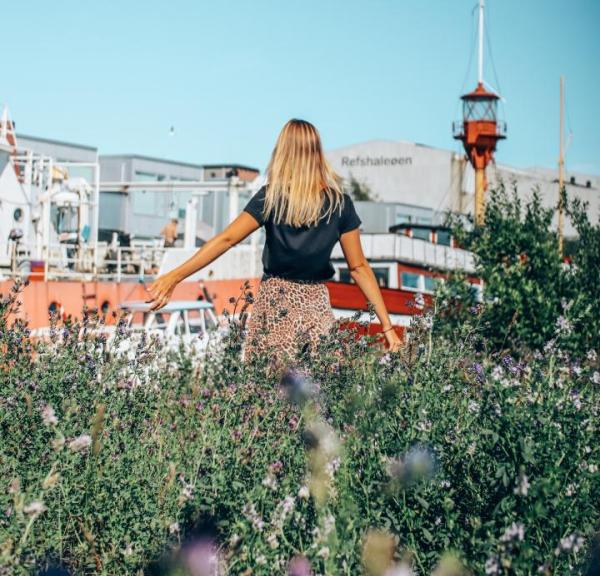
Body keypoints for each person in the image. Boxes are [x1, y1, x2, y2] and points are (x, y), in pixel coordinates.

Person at [144, 118, 401, 369]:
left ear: (283, 153)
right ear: (316, 154)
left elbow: (226, 240)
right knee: (319, 399)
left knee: (269, 398)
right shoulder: (339, 204)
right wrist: (388, 328)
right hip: (317, 309)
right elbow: (359, 268)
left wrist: (174, 277)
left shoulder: (270, 198)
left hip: (275, 305)